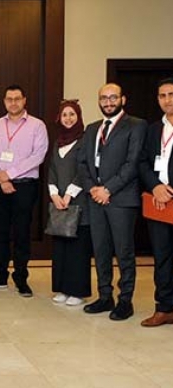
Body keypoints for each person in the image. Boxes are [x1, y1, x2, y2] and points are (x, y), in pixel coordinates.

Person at [78, 83, 145, 321]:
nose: (108, 102)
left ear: (123, 99)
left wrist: (108, 189)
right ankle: (105, 295)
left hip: (121, 199)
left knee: (124, 252)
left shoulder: (136, 125)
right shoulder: (92, 128)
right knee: (101, 250)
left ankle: (125, 300)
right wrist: (93, 189)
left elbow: (132, 163)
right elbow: (82, 163)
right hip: (95, 198)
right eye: (103, 98)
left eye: (113, 97)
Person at [0, 85, 48, 297]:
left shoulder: (37, 125)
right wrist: (0, 176)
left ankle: (21, 278)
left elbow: (38, 156)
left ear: (24, 100)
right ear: (4, 101)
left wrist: (10, 174)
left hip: (24, 186)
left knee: (21, 233)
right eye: (9, 99)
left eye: (17, 98)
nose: (13, 102)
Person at [46, 100, 92, 306]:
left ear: (78, 116)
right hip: (60, 203)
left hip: (79, 202)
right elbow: (52, 170)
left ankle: (77, 292)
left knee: (77, 249)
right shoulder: (58, 142)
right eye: (64, 114)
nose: (68, 118)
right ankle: (63, 288)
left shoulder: (85, 140)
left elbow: (85, 170)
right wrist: (54, 194)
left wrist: (69, 195)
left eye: (72, 114)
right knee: (61, 247)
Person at [139, 78, 173, 327]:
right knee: (162, 256)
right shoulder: (152, 129)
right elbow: (142, 162)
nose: (167, 100)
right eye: (162, 96)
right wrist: (156, 187)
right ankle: (164, 307)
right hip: (158, 202)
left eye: (171, 94)